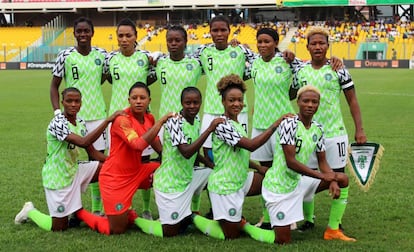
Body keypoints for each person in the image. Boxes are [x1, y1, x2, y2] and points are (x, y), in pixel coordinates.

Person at [243, 85, 356, 244]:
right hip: (279, 186)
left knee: (342, 179)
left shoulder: (318, 129)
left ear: (318, 104)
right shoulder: (288, 124)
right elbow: (291, 162)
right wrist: (323, 176)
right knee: (282, 239)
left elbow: (322, 161)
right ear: (298, 102)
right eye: (306, 101)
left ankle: (333, 230)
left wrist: (331, 180)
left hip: (298, 182)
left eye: (314, 102)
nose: (310, 105)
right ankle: (244, 226)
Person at [191, 74, 292, 240]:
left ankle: (272, 219)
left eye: (239, 100)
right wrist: (275, 124)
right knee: (231, 235)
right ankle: (192, 217)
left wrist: (259, 168)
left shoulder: (237, 123)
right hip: (226, 185)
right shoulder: (222, 124)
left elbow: (240, 154)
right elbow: (251, 145)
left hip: (241, 178)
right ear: (223, 102)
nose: (236, 104)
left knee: (273, 179)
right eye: (231, 100)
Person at [72, 82, 175, 235]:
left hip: (137, 171)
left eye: (142, 98)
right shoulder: (123, 120)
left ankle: (169, 215)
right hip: (115, 178)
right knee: (117, 229)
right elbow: (138, 145)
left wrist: (170, 160)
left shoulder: (149, 118)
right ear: (129, 100)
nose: (138, 101)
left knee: (168, 171)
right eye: (134, 98)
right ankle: (79, 212)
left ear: (149, 100)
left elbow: (156, 144)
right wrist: (161, 122)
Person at [14, 87, 123, 231]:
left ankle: (108, 211)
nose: (73, 104)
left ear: (81, 103)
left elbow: (92, 151)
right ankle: (30, 211)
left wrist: (117, 162)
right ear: (62, 102)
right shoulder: (57, 122)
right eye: (69, 101)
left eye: (76, 101)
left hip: (74, 169)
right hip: (58, 177)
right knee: (59, 227)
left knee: (108, 169)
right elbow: (83, 142)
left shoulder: (80, 122)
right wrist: (107, 121)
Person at [291, 26, 367, 233]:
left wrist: (359, 129)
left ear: (327, 46)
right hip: (307, 134)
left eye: (321, 43)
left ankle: (335, 224)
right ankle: (308, 219)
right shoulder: (300, 71)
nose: (317, 47)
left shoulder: (338, 69)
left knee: (339, 176)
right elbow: (288, 94)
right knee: (306, 176)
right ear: (307, 47)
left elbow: (352, 100)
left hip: (334, 133)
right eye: (313, 43)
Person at [134, 87, 224, 237]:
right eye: (188, 103)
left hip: (188, 178)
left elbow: (194, 152)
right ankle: (135, 220)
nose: (192, 106)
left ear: (201, 103)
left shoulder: (195, 120)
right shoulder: (174, 122)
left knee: (217, 175)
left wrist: (211, 166)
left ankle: (210, 215)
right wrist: (209, 130)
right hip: (170, 184)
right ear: (182, 103)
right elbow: (187, 152)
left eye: (196, 102)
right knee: (170, 232)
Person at [50, 17, 107, 215]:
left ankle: (97, 209)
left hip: (98, 116)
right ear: (74, 34)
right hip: (72, 119)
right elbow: (54, 86)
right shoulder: (64, 55)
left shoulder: (102, 55)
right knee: (69, 161)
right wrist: (58, 113)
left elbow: (111, 73)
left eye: (86, 31)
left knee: (98, 163)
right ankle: (72, 205)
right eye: (79, 31)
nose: (83, 34)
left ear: (92, 33)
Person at [105, 18, 157, 220]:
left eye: (129, 35)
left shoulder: (146, 58)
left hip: (141, 119)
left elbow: (152, 77)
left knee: (143, 161)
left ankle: (145, 208)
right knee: (117, 162)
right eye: (121, 35)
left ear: (136, 37)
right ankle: (118, 205)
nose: (124, 39)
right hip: (119, 121)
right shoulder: (110, 59)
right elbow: (107, 78)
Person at [193, 15, 256, 162]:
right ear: (210, 32)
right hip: (211, 108)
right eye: (215, 30)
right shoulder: (203, 51)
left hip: (238, 108)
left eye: (223, 30)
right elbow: (186, 61)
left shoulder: (240, 50)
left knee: (240, 148)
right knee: (208, 147)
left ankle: (238, 177)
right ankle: (216, 176)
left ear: (229, 31)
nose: (219, 34)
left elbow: (258, 64)